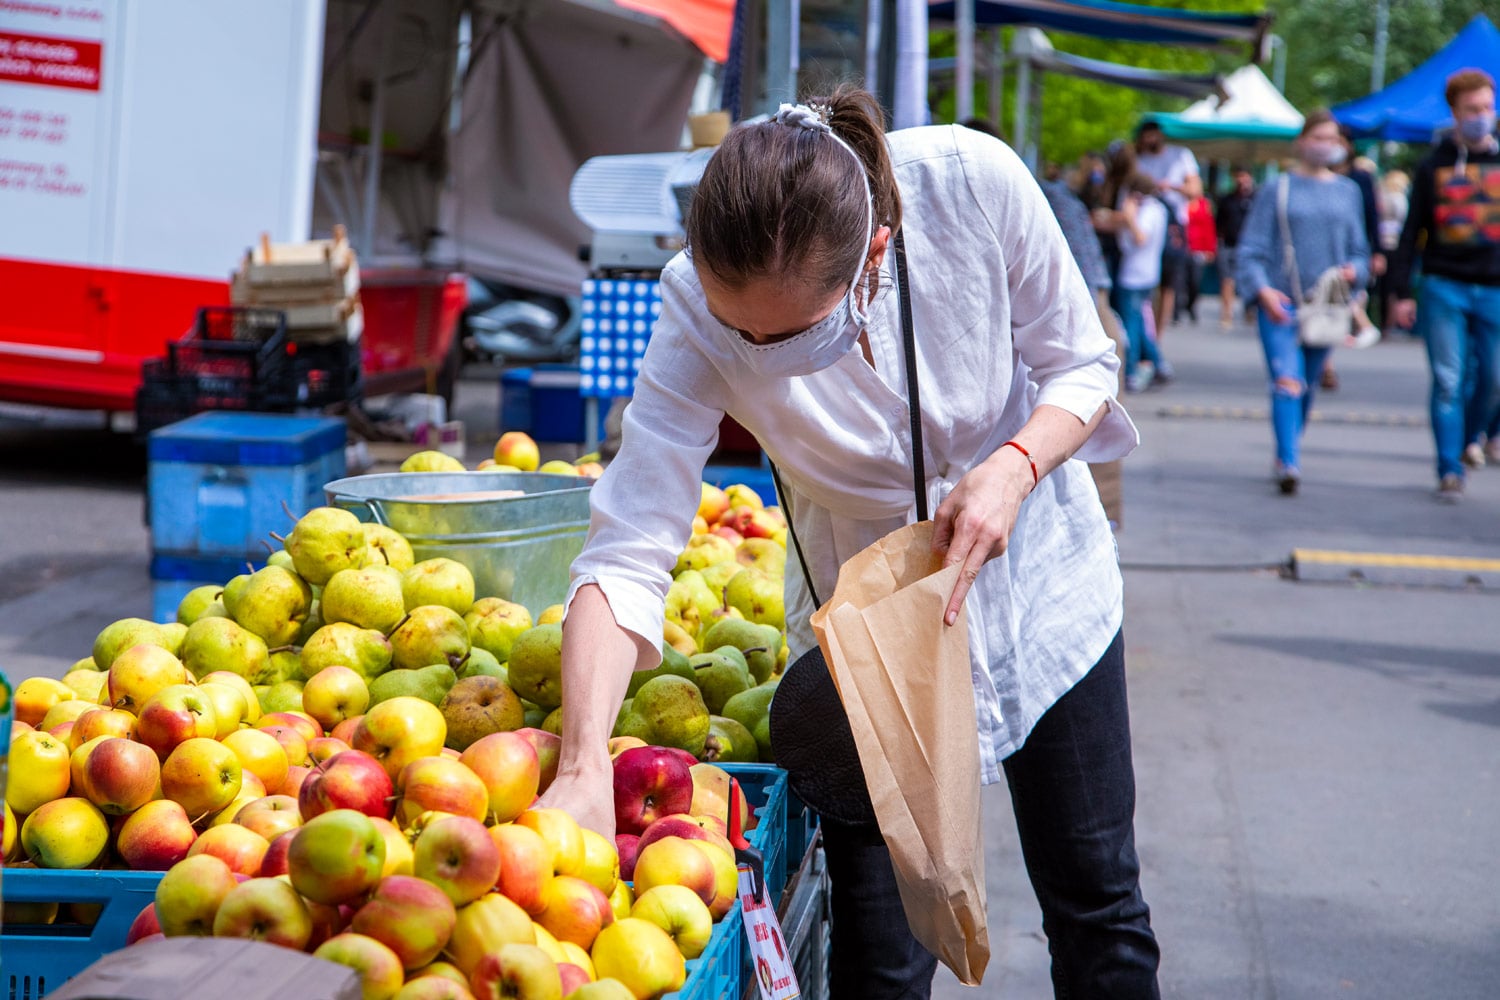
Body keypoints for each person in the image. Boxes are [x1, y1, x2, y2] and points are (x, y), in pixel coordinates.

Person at [544, 87, 1159, 999]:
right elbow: (629, 541)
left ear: (875, 253)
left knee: (1098, 906)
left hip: (1039, 593)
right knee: (881, 955)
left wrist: (1016, 467)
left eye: (787, 336)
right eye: (736, 330)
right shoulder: (688, 306)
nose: (754, 350)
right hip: (859, 634)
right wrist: (584, 762)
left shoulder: (969, 182)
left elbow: (1082, 362)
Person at [1236, 109, 1370, 495]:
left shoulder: (1348, 192)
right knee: (1287, 381)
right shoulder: (1277, 188)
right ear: (1301, 141)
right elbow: (1251, 248)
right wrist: (1261, 290)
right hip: (1281, 303)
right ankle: (1288, 462)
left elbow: (1361, 251)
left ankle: (1287, 447)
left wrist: (1353, 272)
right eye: (1319, 137)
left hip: (1326, 307)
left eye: (1332, 139)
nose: (1325, 146)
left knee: (1307, 386)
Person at [1389, 68, 1500, 501]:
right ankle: (1449, 466)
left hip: (1493, 287)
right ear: (1454, 112)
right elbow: (1409, 231)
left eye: (1488, 108)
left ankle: (1470, 438)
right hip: (1443, 285)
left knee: (1493, 380)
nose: (1481, 116)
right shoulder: (1432, 164)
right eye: (1472, 109)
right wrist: (1400, 292)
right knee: (1449, 380)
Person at [1133, 121, 1202, 334]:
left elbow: (1195, 191)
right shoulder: (1139, 159)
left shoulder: (1180, 155)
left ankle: (1157, 338)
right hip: (1145, 223)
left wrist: (1169, 186)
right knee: (1143, 280)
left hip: (1173, 227)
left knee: (1167, 284)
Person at [1112, 173, 1172, 392]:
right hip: (1147, 273)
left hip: (1134, 275)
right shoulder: (1159, 209)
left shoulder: (1147, 211)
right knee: (1139, 323)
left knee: (1132, 326)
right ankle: (1159, 363)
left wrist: (1128, 216)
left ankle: (1132, 373)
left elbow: (1140, 237)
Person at [1215, 166, 1257, 329]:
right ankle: (1227, 314)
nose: (1242, 181)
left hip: (1249, 247)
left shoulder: (1256, 199)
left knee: (1250, 280)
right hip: (1229, 245)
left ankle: (1250, 311)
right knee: (1227, 280)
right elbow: (1218, 224)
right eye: (1239, 177)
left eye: (1245, 177)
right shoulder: (1227, 200)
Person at [1374, 168, 1410, 333]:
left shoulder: (1382, 195)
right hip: (1395, 243)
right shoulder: (1398, 198)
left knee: (1384, 286)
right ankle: (1390, 322)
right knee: (1391, 285)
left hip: (1384, 243)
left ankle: (1385, 321)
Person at [1184, 192, 1218, 323]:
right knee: (1181, 281)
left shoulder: (1204, 205)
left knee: (1195, 280)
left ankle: (1191, 305)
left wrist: (1210, 249)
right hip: (1184, 247)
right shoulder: (1181, 204)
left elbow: (1209, 227)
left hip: (1198, 248)